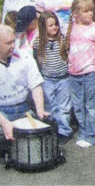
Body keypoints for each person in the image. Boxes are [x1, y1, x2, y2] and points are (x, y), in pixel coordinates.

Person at [0, 24, 49, 161]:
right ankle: (3, 150)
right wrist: (4, 123)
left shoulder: (24, 57)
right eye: (8, 43)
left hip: (23, 108)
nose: (13, 45)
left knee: (48, 121)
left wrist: (40, 110)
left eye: (14, 41)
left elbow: (36, 84)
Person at [63, 0, 95, 148]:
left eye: (91, 10)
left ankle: (93, 135)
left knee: (92, 105)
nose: (90, 14)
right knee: (78, 105)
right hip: (73, 73)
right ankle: (84, 132)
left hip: (90, 71)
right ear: (76, 13)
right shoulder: (70, 27)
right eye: (86, 11)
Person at [32, 12, 72, 144]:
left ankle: (64, 131)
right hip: (48, 79)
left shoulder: (63, 38)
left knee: (65, 107)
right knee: (51, 106)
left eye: (56, 25)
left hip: (64, 78)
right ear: (43, 27)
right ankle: (53, 129)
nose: (54, 27)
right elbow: (37, 59)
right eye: (50, 25)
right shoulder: (38, 42)